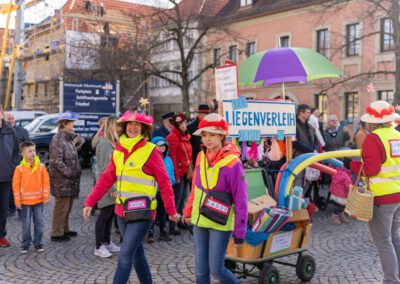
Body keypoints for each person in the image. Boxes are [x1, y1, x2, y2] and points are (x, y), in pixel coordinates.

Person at [83, 111, 180, 284]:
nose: (133, 127)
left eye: (137, 124)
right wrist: (90, 201)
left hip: (143, 212)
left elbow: (165, 182)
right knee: (137, 254)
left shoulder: (151, 150)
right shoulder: (118, 150)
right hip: (122, 211)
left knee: (125, 255)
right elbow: (106, 178)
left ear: (143, 129)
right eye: (130, 124)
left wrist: (171, 210)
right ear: (124, 127)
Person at [182, 113, 248, 284]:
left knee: (216, 270)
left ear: (221, 136)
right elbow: (196, 188)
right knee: (200, 270)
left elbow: (241, 199)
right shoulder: (201, 156)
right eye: (204, 135)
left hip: (220, 221)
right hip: (199, 218)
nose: (207, 139)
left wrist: (240, 233)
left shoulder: (233, 163)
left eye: (212, 134)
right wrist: (187, 211)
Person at [349, 100, 400, 284]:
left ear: (371, 121)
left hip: (381, 197)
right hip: (397, 195)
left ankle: (391, 281)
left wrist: (353, 165)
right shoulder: (397, 134)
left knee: (384, 242)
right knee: (394, 238)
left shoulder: (374, 138)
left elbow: (371, 169)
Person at [12, 141, 50, 253]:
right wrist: (17, 201)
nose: (33, 153)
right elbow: (16, 186)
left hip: (38, 201)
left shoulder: (41, 167)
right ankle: (25, 244)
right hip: (25, 202)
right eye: (30, 151)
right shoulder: (19, 169)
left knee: (39, 223)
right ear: (23, 153)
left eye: (34, 150)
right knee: (26, 224)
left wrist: (46, 196)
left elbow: (46, 183)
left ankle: (38, 243)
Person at [49, 112, 82, 242]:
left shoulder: (67, 139)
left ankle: (65, 229)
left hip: (69, 180)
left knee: (67, 207)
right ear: (65, 124)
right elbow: (56, 161)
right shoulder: (58, 140)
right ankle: (56, 233)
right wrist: (70, 173)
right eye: (71, 123)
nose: (73, 125)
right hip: (62, 180)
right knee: (61, 207)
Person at [93, 116, 120, 258]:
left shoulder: (110, 142)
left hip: (111, 185)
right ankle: (99, 246)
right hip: (106, 186)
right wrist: (113, 188)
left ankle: (107, 241)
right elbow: (105, 169)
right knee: (104, 215)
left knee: (110, 215)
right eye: (119, 126)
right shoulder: (104, 143)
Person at [166, 113, 192, 235]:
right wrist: (175, 175)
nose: (186, 125)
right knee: (176, 199)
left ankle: (180, 219)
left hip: (186, 172)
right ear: (179, 124)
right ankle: (173, 224)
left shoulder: (185, 136)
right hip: (179, 173)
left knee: (183, 198)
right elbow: (172, 158)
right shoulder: (173, 137)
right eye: (184, 123)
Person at [147, 136, 176, 243]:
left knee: (163, 212)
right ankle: (150, 232)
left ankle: (163, 232)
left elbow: (172, 174)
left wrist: (170, 182)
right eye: (158, 146)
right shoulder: (151, 159)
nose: (161, 148)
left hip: (164, 191)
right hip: (154, 191)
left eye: (163, 145)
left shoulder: (168, 160)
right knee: (152, 211)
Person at [0, 103, 19, 247]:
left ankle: (1, 236)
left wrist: (13, 167)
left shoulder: (10, 131)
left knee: (4, 209)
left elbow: (16, 152)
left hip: (6, 177)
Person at [4, 111, 31, 216]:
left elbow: (29, 146)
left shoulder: (23, 131)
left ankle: (21, 210)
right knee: (10, 188)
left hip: (21, 165)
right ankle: (11, 209)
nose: (11, 120)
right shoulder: (3, 131)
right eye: (8, 119)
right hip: (7, 165)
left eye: (12, 118)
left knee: (22, 188)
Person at [293, 104, 317, 187]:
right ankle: (297, 200)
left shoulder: (310, 127)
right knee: (298, 182)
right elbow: (294, 142)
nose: (310, 114)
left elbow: (315, 140)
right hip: (298, 158)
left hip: (309, 158)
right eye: (308, 112)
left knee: (308, 182)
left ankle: (303, 199)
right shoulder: (294, 126)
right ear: (301, 113)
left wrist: (313, 149)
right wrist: (309, 150)